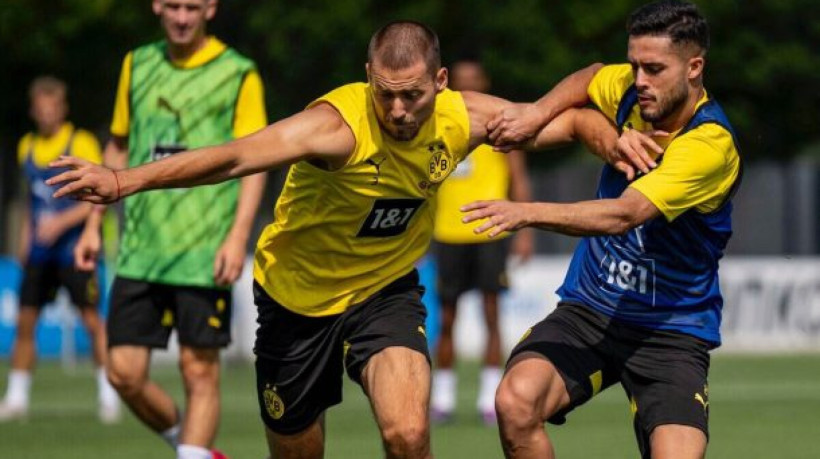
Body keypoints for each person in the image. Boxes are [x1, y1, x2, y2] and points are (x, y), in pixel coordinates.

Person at [49, 21, 630, 459]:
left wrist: (616, 144)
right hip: (295, 302)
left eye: (412, 95)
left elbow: (569, 119)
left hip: (384, 293)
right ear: (368, 78)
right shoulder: (335, 127)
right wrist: (123, 180)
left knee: (407, 433)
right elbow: (233, 156)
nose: (398, 111)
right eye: (385, 93)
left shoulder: (464, 116)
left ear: (441, 82)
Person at [471, 1, 742, 458]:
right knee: (515, 401)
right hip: (590, 310)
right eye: (635, 65)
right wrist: (537, 112)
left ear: (694, 67)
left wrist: (525, 212)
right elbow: (593, 74)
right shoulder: (635, 92)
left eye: (654, 69)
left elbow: (624, 215)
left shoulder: (709, 145)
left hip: (670, 329)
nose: (639, 80)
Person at [72, 1, 267, 458]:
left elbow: (254, 161)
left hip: (204, 250)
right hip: (142, 247)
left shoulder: (238, 72)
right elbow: (118, 145)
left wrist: (238, 236)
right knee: (122, 373)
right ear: (157, 5)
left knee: (198, 371)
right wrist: (92, 224)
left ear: (211, 8)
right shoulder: (136, 64)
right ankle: (191, 447)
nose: (182, 17)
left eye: (193, 7)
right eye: (174, 6)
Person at [0, 76, 120, 423]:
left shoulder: (79, 142)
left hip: (74, 250)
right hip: (40, 253)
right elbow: (30, 201)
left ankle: (107, 394)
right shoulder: (27, 146)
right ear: (33, 111)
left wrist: (61, 224)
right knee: (26, 321)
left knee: (92, 321)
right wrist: (26, 238)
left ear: (62, 109)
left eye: (52, 107)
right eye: (40, 108)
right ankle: (17, 397)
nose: (46, 114)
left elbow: (99, 196)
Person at [430, 58, 534, 425]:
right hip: (447, 232)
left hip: (491, 231)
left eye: (474, 81)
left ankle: (490, 399)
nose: (468, 87)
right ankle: (442, 398)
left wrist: (525, 232)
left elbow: (518, 179)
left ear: (485, 82)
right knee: (446, 318)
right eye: (461, 82)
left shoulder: (504, 126)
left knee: (492, 315)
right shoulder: (436, 124)